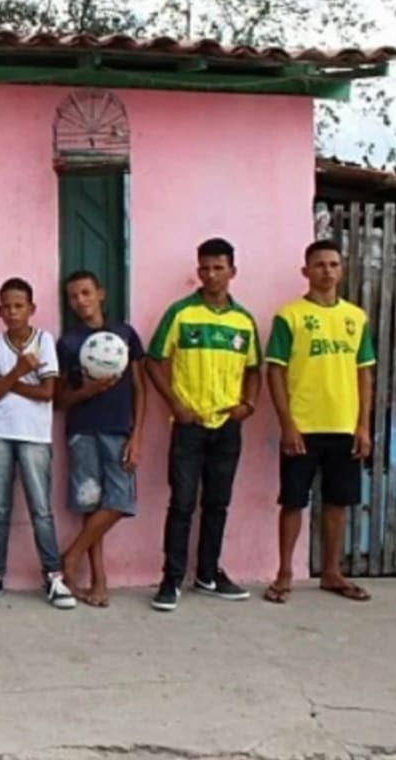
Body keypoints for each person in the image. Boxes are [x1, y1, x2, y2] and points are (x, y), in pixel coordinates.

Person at [146, 237, 261, 612]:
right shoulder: (180, 313)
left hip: (227, 425)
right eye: (205, 268)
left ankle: (209, 574)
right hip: (189, 425)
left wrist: (249, 404)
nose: (211, 275)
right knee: (181, 503)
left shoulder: (243, 321)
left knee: (218, 502)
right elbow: (153, 361)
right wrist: (176, 405)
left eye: (219, 268)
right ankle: (171, 579)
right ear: (198, 271)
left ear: (232, 272)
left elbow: (254, 369)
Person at [264, 240, 374, 604]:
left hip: (343, 425)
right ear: (305, 271)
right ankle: (283, 575)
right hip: (304, 426)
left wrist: (362, 425)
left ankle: (331, 572)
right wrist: (288, 424)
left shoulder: (356, 318)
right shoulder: (290, 316)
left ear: (341, 270)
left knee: (338, 502)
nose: (326, 270)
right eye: (319, 264)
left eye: (333, 264)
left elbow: (364, 375)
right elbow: (275, 372)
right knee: (294, 501)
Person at [0, 278, 75, 610]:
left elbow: (47, 393)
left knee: (40, 509)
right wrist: (20, 371)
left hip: (34, 436)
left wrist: (7, 383)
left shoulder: (45, 341)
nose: (13, 313)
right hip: (0, 433)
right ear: (0, 311)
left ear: (31, 309)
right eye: (7, 307)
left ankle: (53, 576)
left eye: (19, 306)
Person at [56, 271, 146, 607]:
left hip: (118, 430)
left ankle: (70, 556)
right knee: (90, 505)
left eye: (85, 293)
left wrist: (137, 434)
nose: (80, 301)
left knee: (119, 501)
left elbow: (140, 387)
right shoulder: (68, 343)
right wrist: (87, 391)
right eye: (73, 296)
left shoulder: (124, 334)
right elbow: (59, 400)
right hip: (82, 432)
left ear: (100, 294)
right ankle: (99, 581)